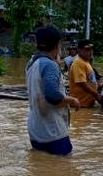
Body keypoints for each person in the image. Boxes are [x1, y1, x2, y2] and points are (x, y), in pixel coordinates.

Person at [26, 25, 80, 155]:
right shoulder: (49, 65)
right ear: (57, 44)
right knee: (63, 169)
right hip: (53, 131)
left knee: (40, 170)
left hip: (35, 130)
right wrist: (72, 100)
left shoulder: (31, 63)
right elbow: (52, 96)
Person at [69, 39, 103, 108]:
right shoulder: (78, 63)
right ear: (79, 50)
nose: (91, 52)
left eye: (91, 50)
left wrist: (97, 86)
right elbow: (81, 83)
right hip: (80, 106)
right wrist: (96, 94)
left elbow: (90, 80)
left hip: (86, 105)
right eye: (87, 50)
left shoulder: (85, 62)